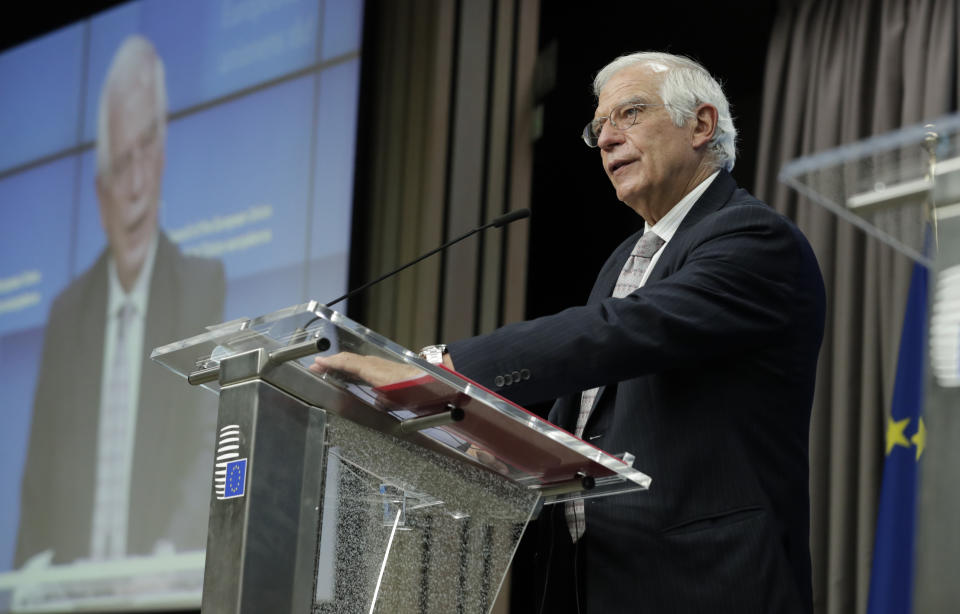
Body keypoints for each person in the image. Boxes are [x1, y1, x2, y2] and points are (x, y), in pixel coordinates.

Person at [313, 51, 825, 613]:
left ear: (701, 125)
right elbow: (583, 415)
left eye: (629, 113)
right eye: (599, 125)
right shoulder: (625, 259)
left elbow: (621, 332)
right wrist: (486, 448)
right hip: (595, 577)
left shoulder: (752, 239)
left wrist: (437, 372)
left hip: (706, 581)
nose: (607, 138)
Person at [15, 35, 225, 568]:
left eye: (144, 151)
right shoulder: (66, 313)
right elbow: (37, 487)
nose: (133, 185)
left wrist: (166, 558)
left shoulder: (200, 286)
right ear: (97, 189)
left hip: (163, 586)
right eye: (117, 164)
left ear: (163, 154)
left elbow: (211, 444)